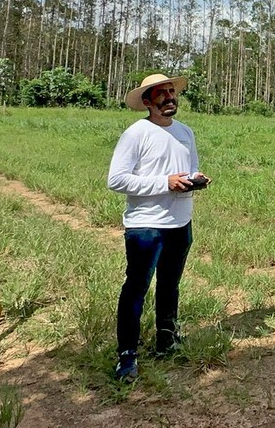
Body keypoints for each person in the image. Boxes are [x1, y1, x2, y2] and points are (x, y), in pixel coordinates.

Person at [107, 73, 210, 382]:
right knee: (136, 289)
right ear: (148, 102)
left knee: (170, 285)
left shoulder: (185, 133)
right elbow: (116, 180)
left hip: (181, 222)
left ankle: (167, 339)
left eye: (171, 91)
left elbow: (189, 169)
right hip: (146, 227)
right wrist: (164, 183)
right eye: (161, 93)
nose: (169, 97)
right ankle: (127, 356)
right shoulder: (136, 134)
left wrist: (196, 179)